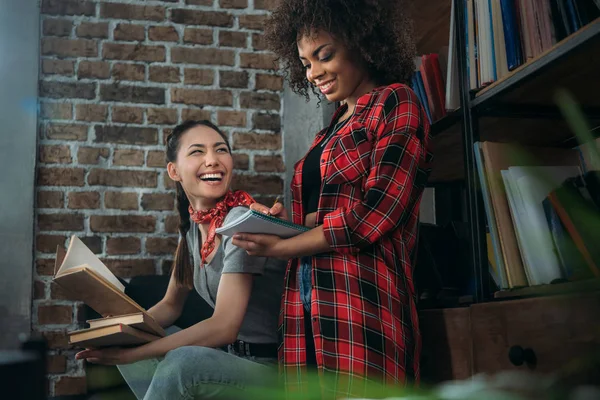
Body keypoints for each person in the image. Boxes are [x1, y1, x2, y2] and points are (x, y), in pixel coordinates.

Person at [231, 0, 433, 396]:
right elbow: (324, 215)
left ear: (364, 44)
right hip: (302, 302)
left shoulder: (395, 103)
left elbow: (376, 214)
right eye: (306, 63)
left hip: (362, 300)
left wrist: (282, 248)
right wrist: (278, 223)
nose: (315, 73)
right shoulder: (328, 129)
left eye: (325, 56)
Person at [75, 120, 286, 400]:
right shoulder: (191, 234)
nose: (212, 160)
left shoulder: (241, 222)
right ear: (174, 171)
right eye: (197, 152)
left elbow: (224, 326)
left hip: (269, 370)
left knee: (182, 362)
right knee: (140, 341)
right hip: (228, 359)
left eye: (220, 150)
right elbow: (170, 306)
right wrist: (120, 329)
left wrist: (133, 354)